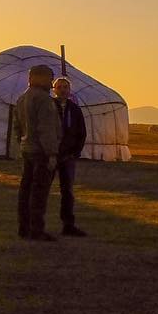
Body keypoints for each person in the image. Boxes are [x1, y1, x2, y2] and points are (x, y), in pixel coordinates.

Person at [14, 64, 61, 241]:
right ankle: (36, 230)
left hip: (28, 150)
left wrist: (23, 143)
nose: (51, 83)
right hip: (41, 152)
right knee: (39, 191)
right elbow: (46, 129)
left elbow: (17, 127)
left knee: (25, 190)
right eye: (49, 78)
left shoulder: (22, 98)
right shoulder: (43, 100)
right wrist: (51, 154)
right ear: (39, 78)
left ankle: (23, 227)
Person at [53, 76, 87, 236]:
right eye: (59, 87)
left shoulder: (75, 109)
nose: (62, 90)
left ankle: (68, 225)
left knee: (67, 191)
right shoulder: (48, 107)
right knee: (41, 188)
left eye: (65, 87)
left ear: (69, 90)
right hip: (51, 154)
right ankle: (37, 224)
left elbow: (82, 132)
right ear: (54, 90)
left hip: (68, 156)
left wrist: (75, 152)